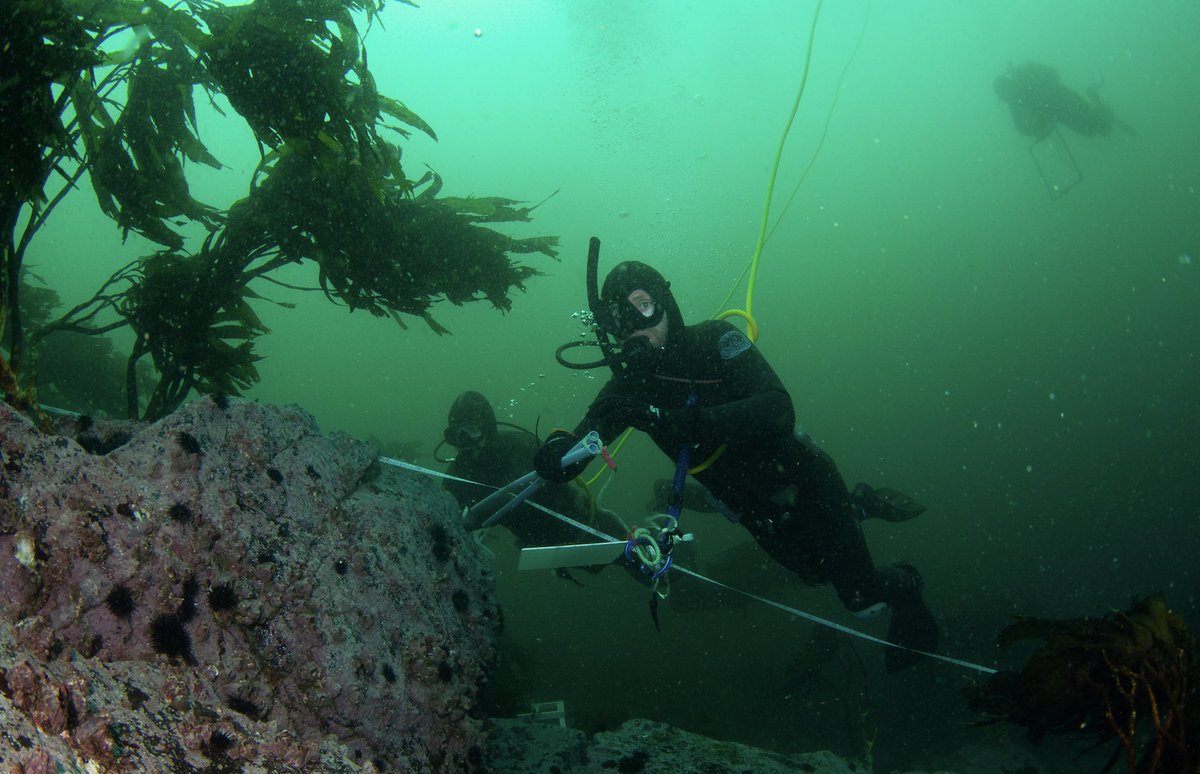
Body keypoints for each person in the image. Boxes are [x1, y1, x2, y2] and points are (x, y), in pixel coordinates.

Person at [533, 261, 939, 672]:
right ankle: (860, 506)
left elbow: (777, 408)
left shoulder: (716, 339)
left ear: (666, 302)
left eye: (644, 306)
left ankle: (906, 584)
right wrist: (554, 452)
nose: (637, 325)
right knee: (813, 572)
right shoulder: (627, 389)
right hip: (752, 508)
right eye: (622, 317)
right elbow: (578, 451)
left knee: (861, 600)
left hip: (802, 478)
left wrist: (668, 420)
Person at [440, 391, 620, 560]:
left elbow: (521, 495)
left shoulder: (520, 447)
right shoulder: (457, 475)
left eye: (471, 431)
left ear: (487, 427)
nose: (463, 442)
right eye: (455, 435)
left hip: (589, 526)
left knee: (632, 555)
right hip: (544, 547)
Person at [993, 61, 1134, 140]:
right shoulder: (1014, 99)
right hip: (1060, 111)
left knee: (1099, 128)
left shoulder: (1023, 79)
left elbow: (1053, 73)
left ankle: (1093, 94)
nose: (1009, 96)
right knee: (1093, 131)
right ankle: (1096, 99)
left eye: (1007, 93)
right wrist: (1037, 130)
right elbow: (1020, 128)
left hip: (1065, 100)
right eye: (1006, 97)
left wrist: (1039, 128)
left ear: (1009, 84)